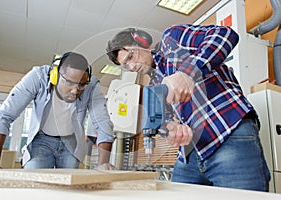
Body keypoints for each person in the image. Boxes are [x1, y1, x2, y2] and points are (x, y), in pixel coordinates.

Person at [106, 25, 271, 191]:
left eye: (131, 57)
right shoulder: (156, 82)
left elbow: (225, 34)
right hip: (191, 153)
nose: (132, 67)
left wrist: (188, 73)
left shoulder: (172, 40)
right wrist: (171, 129)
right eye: (126, 65)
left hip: (227, 135)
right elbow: (167, 121)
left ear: (142, 41)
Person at [0, 52, 114, 169]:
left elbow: (102, 122)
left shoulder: (91, 86)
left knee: (69, 189)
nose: (75, 91)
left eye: (81, 85)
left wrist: (103, 164)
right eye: (69, 82)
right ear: (55, 76)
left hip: (71, 143)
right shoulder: (38, 78)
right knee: (36, 183)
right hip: (41, 140)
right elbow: (4, 115)